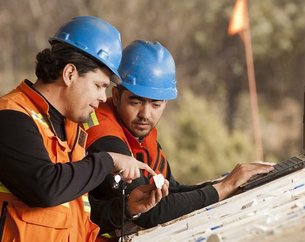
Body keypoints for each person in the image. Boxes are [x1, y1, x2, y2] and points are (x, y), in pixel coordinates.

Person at [0, 17, 168, 242]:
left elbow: (72, 215)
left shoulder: (72, 130)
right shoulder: (10, 117)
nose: (102, 97)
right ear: (70, 74)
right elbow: (45, 188)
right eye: (99, 86)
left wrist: (126, 208)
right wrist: (108, 160)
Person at [84, 40, 274, 237]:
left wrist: (231, 183)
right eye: (135, 101)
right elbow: (149, 212)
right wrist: (224, 187)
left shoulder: (137, 132)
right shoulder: (103, 134)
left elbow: (172, 190)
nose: (145, 114)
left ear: (165, 103)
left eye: (155, 105)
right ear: (116, 96)